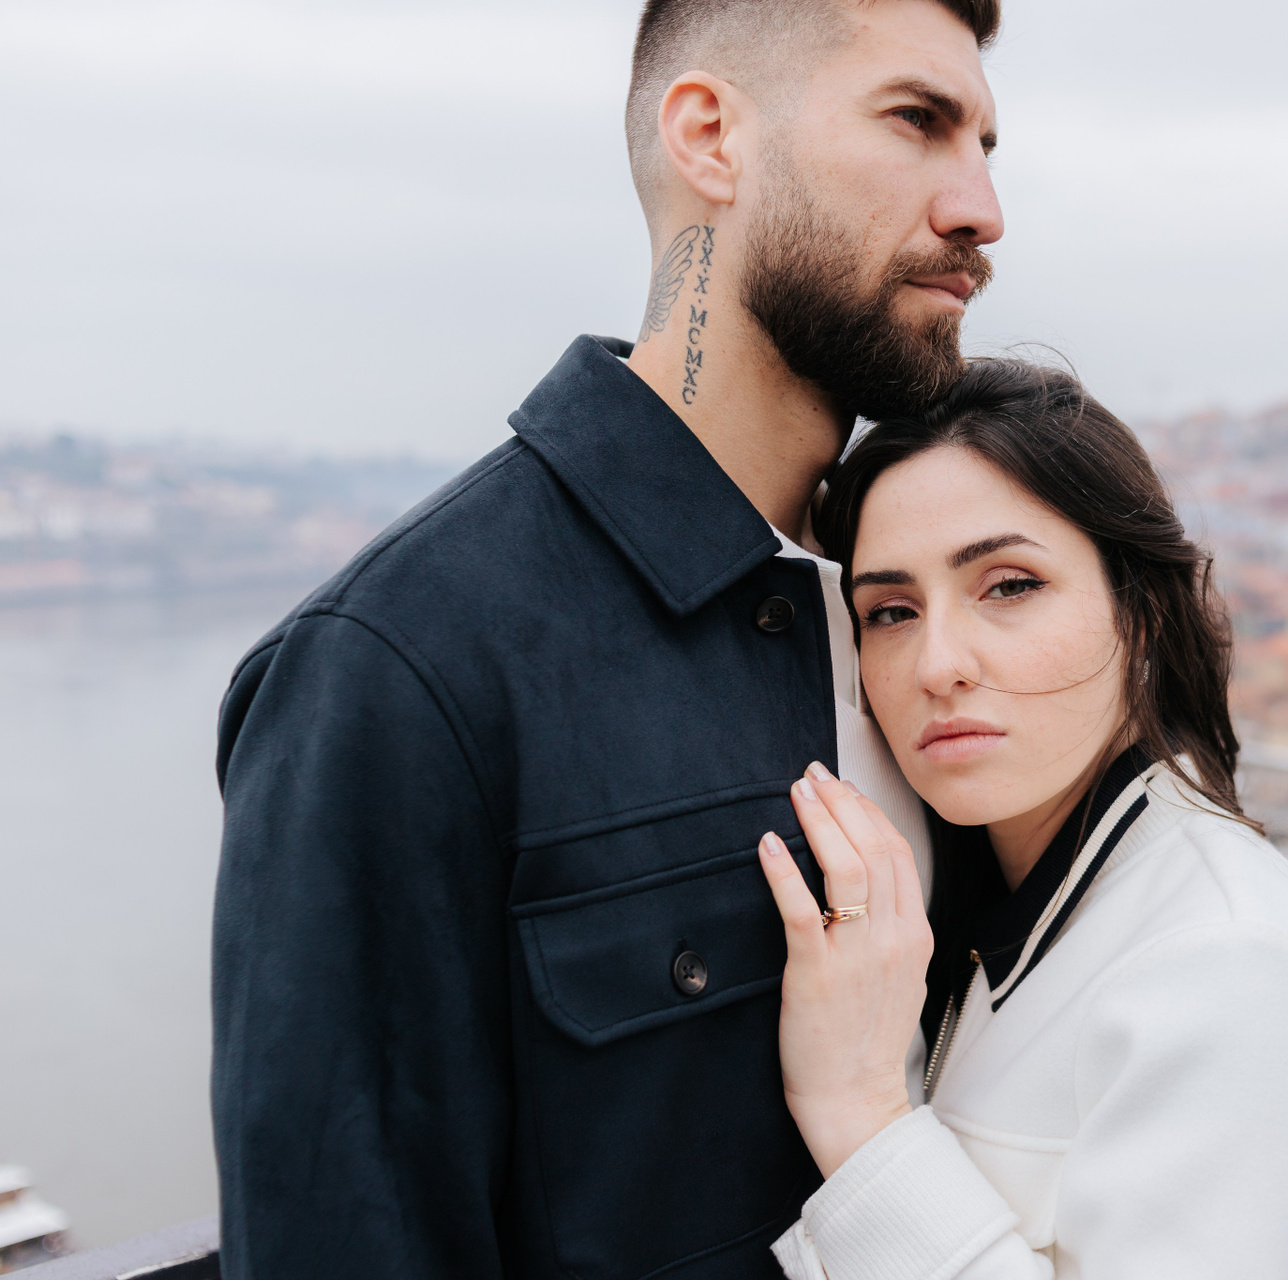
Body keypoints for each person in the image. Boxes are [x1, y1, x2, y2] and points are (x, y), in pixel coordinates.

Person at [209, 2, 1001, 1277]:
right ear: (711, 137)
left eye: (986, 146)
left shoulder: (922, 616)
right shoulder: (394, 668)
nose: (981, 210)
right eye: (918, 121)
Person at [752, 360, 1288, 1278]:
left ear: (1142, 614)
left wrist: (861, 1112)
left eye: (1009, 586)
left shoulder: (1242, 968)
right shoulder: (992, 917)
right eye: (891, 611)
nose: (937, 664)